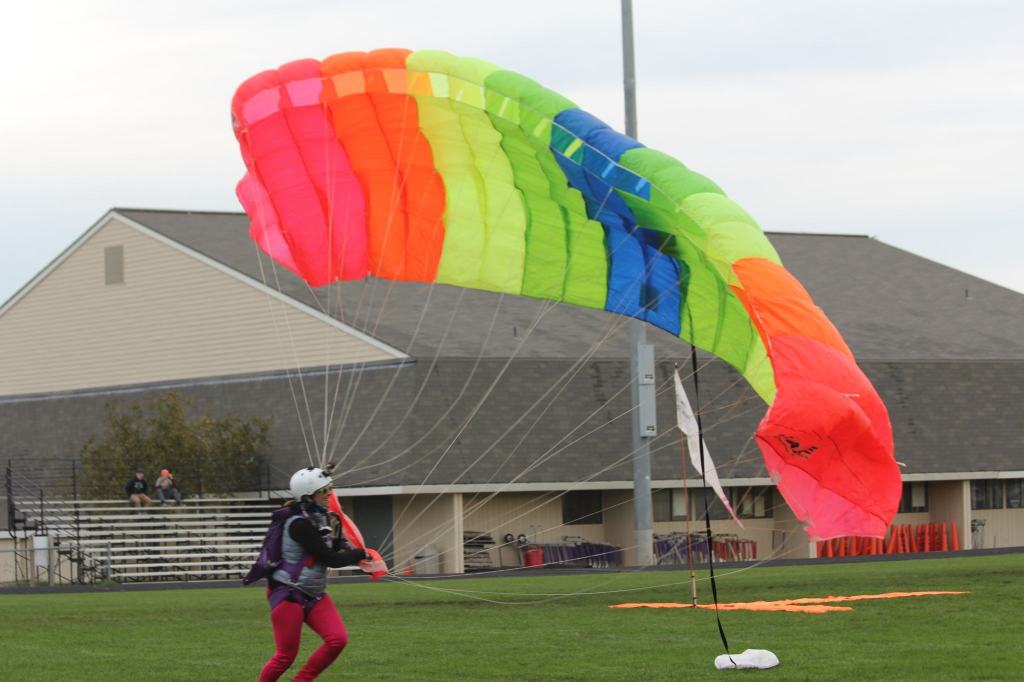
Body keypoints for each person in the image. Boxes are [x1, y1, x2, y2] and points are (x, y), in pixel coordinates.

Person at [258, 466, 367, 682]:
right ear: (308, 496)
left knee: (337, 639)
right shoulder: (298, 523)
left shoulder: (317, 518)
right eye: (324, 491)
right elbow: (330, 559)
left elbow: (327, 550)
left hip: (313, 592)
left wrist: (344, 544)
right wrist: (361, 554)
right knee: (285, 656)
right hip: (288, 593)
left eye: (329, 489)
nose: (329, 495)